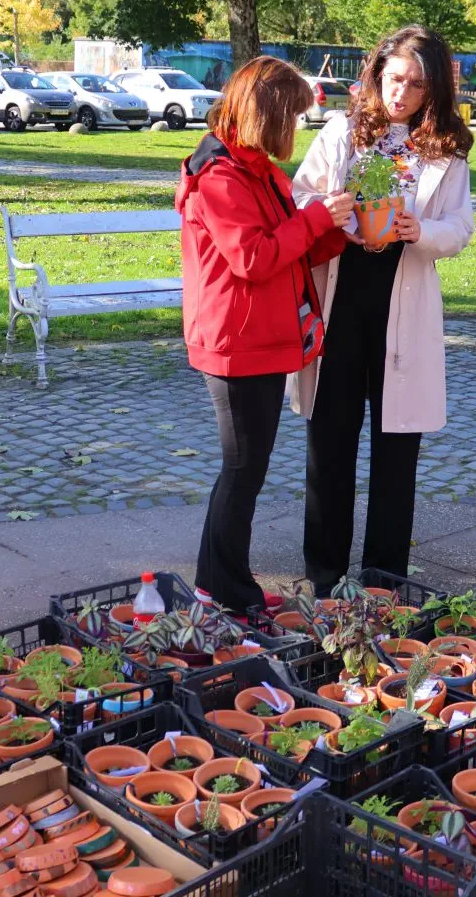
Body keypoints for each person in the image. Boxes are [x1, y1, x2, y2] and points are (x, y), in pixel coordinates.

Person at [290, 26, 475, 596]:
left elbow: (461, 227)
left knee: (397, 452)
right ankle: (324, 578)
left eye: (416, 85)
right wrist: (331, 210)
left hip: (405, 306)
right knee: (331, 444)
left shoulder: (445, 147)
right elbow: (300, 196)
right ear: (376, 76)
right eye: (394, 79)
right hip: (344, 303)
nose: (401, 93)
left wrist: (423, 230)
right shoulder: (343, 132)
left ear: (433, 89)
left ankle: (383, 584)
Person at [176, 55, 354, 612]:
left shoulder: (255, 168)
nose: (298, 127)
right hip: (236, 342)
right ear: (270, 114)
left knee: (245, 470)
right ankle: (223, 587)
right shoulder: (222, 176)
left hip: (258, 338)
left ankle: (218, 581)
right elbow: (253, 258)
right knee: (241, 469)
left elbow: (286, 246)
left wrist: (335, 231)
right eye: (294, 116)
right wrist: (319, 220)